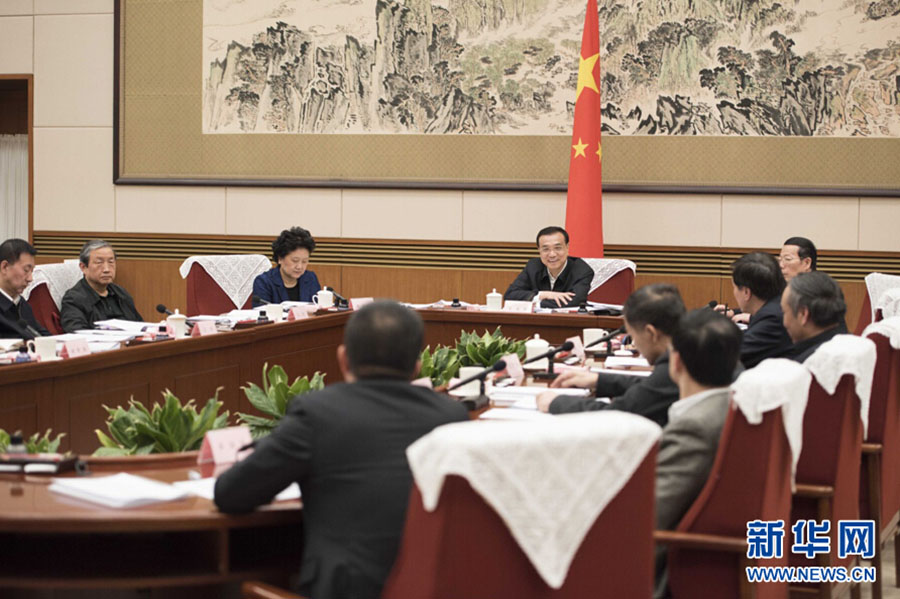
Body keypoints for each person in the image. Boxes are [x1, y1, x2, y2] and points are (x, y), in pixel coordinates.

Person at [214, 301, 468, 599]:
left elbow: (231, 494)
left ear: (343, 359)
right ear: (417, 366)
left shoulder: (317, 413)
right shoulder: (451, 417)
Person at [654, 308, 743, 598]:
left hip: (666, 572)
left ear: (676, 361)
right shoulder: (735, 406)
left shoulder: (694, 428)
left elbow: (650, 517)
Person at [537, 284, 684, 427]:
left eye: (632, 336)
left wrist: (556, 402)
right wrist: (598, 380)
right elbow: (652, 386)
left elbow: (617, 413)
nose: (635, 345)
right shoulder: (683, 352)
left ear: (651, 333)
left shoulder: (675, 366)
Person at [719, 236, 817, 324]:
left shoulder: (816, 291)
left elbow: (786, 318)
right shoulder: (785, 285)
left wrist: (752, 318)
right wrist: (733, 312)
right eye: (780, 259)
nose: (781, 265)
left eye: (787, 259)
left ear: (806, 263)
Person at [60, 240, 142, 333]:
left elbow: (139, 326)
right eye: (99, 262)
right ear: (83, 267)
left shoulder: (121, 293)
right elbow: (77, 333)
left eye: (111, 262)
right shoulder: (74, 299)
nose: (106, 269)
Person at [503, 226, 594, 309]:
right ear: (539, 250)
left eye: (557, 248)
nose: (552, 254)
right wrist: (543, 295)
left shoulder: (582, 270)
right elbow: (510, 295)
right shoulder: (533, 266)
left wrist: (536, 303)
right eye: (546, 249)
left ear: (567, 247)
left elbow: (576, 301)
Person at [731, 252, 792, 368]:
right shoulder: (776, 306)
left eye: (734, 287)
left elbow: (732, 357)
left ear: (746, 292)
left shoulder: (773, 319)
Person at [782, 271, 847, 362]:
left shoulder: (803, 366)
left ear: (803, 314)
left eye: (784, 312)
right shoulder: (858, 347)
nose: (784, 322)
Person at [253, 227, 320, 306]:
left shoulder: (310, 278)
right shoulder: (264, 282)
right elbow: (261, 311)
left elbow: (318, 309)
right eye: (295, 260)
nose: (299, 267)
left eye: (304, 261)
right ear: (280, 259)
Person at [0, 238, 50, 339]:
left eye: (32, 271)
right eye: (26, 270)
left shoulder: (22, 305)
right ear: (5, 267)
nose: (30, 279)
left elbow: (43, 335)